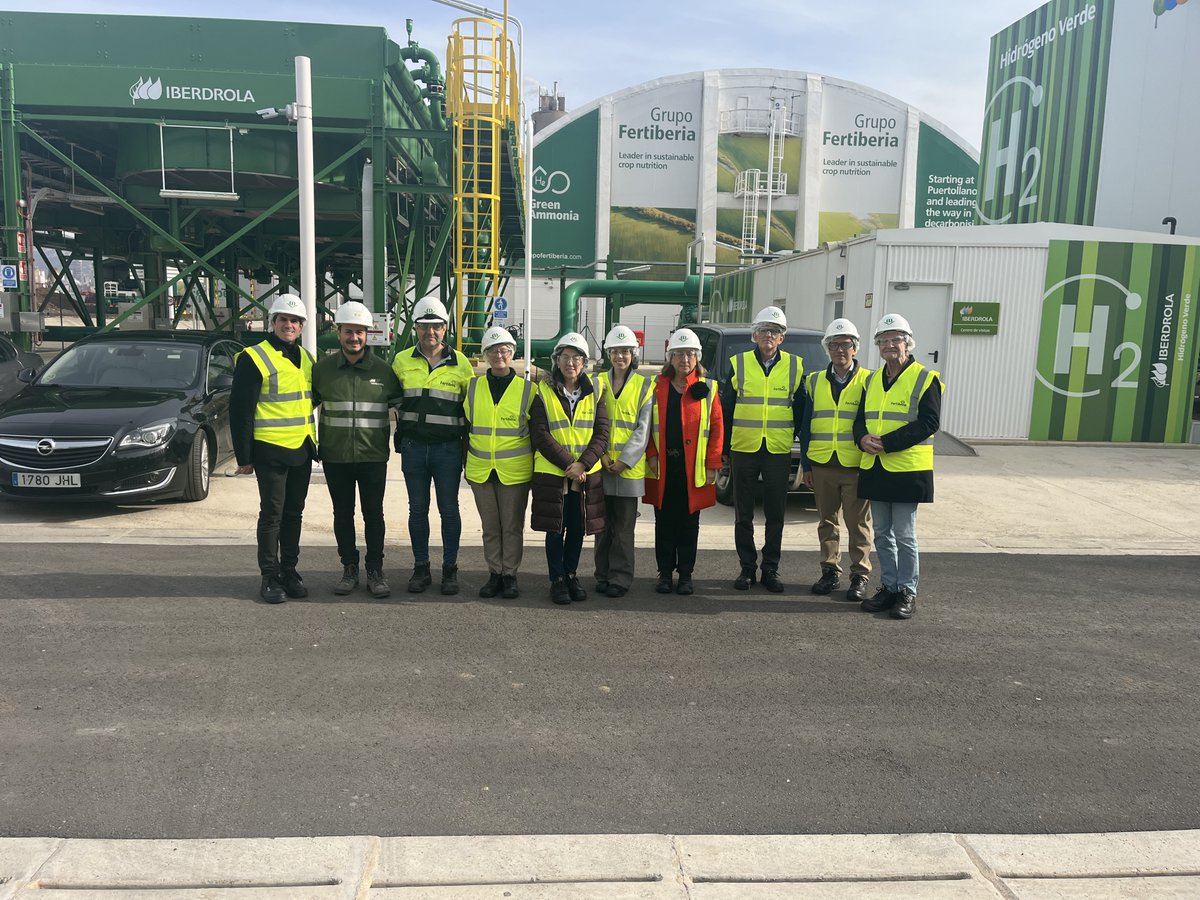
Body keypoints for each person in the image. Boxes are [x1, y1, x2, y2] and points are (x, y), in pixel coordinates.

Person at [852, 313, 942, 620]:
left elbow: (929, 422)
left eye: (896, 339)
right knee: (881, 534)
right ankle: (888, 587)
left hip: (907, 468)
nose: (890, 345)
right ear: (877, 346)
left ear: (908, 343)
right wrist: (861, 437)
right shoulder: (871, 379)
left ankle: (907, 591)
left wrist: (888, 443)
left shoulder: (925, 378)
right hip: (876, 467)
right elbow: (860, 418)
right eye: (884, 340)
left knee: (904, 534)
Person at [311, 301, 402, 599]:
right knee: (342, 514)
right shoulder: (322, 370)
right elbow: (303, 408)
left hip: (373, 457)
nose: (355, 338)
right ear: (338, 333)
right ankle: (349, 567)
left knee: (374, 514)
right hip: (336, 457)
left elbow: (403, 409)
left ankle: (375, 570)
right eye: (349, 332)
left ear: (367, 335)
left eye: (360, 332)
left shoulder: (384, 372)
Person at [231, 293, 317, 604]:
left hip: (301, 448)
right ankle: (269, 575)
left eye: (295, 321)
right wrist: (245, 456)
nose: (289, 325)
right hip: (270, 450)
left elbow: (309, 397)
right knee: (272, 514)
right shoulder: (254, 357)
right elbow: (240, 410)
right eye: (284, 320)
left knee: (294, 513)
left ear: (302, 325)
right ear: (273, 322)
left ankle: (289, 570)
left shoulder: (306, 358)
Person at [391, 297, 475, 595]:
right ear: (415, 327)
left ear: (445, 328)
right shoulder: (401, 360)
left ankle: (450, 570)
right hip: (414, 448)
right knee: (417, 510)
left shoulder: (461, 364)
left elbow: (471, 409)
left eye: (436, 326)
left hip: (447, 449)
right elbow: (391, 401)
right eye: (425, 326)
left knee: (449, 510)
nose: (431, 332)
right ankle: (421, 567)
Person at [720, 305, 806, 593]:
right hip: (744, 448)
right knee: (743, 513)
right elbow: (727, 408)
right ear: (754, 335)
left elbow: (802, 410)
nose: (768, 335)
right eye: (763, 331)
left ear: (782, 338)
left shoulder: (796, 365)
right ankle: (746, 569)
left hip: (778, 450)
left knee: (775, 514)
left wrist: (793, 438)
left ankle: (770, 569)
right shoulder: (738, 363)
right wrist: (724, 448)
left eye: (775, 331)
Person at [529, 332, 609, 605]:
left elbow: (602, 434)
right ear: (556, 361)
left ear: (585, 362)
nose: (570, 363)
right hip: (554, 473)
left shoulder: (597, 391)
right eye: (565, 357)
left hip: (584, 475)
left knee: (576, 527)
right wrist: (569, 464)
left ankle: (571, 573)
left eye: (576, 358)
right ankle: (557, 579)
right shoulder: (542, 391)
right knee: (555, 528)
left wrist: (582, 464)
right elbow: (539, 434)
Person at [643, 328, 724, 595]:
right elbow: (646, 425)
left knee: (689, 523)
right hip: (664, 466)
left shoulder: (708, 388)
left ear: (697, 357)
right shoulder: (656, 387)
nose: (684, 359)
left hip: (693, 468)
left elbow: (716, 427)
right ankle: (664, 574)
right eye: (678, 354)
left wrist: (713, 463)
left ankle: (686, 575)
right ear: (670, 358)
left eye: (690, 354)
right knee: (664, 521)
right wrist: (651, 454)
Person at [801, 318, 873, 603]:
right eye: (834, 345)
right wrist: (806, 465)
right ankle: (830, 570)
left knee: (859, 524)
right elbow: (806, 426)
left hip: (855, 465)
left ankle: (860, 575)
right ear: (827, 349)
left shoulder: (870, 380)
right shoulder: (814, 380)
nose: (840, 350)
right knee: (827, 521)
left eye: (845, 345)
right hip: (822, 464)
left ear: (855, 348)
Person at [465, 326, 535, 600]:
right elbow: (466, 429)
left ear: (512, 354)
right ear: (485, 355)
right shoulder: (473, 387)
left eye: (504, 350)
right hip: (481, 470)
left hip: (515, 472)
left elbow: (537, 433)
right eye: (493, 350)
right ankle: (494, 572)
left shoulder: (528, 390)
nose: (499, 355)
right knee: (491, 527)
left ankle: (510, 575)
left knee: (512, 526)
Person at [593, 325, 653, 599]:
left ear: (633, 354)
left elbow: (643, 429)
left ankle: (620, 577)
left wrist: (625, 461)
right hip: (601, 465)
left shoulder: (644, 386)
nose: (620, 356)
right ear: (608, 354)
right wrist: (601, 455)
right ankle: (601, 574)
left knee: (624, 528)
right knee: (601, 526)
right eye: (615, 351)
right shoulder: (598, 383)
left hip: (629, 469)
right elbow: (590, 422)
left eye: (625, 351)